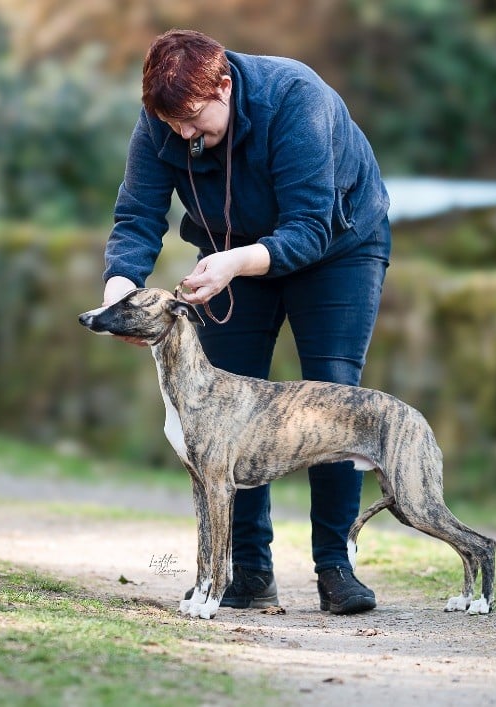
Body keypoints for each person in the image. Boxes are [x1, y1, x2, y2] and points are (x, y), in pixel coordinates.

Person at [101, 29, 391, 615]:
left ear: (225, 86)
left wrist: (237, 263)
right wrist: (120, 293)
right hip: (228, 251)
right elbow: (136, 216)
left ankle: (336, 567)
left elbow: (309, 227)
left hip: (337, 247)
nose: (184, 136)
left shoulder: (296, 100)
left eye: (193, 121)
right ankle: (249, 572)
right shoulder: (162, 120)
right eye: (172, 125)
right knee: (223, 400)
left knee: (333, 392)